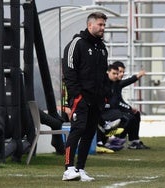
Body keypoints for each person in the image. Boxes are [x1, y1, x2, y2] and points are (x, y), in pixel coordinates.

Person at [62, 12, 109, 181]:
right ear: (90, 25)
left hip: (96, 100)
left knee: (89, 133)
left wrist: (105, 96)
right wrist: (76, 96)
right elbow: (69, 72)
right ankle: (68, 168)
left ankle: (80, 169)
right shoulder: (76, 44)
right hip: (80, 98)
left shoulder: (102, 48)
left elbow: (104, 75)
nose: (103, 28)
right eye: (100, 25)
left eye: (104, 25)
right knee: (78, 129)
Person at [110, 61, 150, 149]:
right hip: (109, 111)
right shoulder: (110, 84)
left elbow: (119, 100)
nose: (121, 74)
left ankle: (134, 141)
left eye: (123, 72)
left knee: (135, 114)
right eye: (119, 72)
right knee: (129, 117)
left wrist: (129, 108)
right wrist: (129, 108)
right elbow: (114, 102)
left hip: (116, 110)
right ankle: (116, 140)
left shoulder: (117, 84)